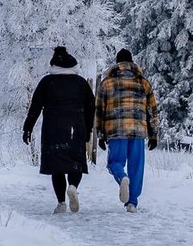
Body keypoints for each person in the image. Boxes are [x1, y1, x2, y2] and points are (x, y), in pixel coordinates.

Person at [22, 46, 95, 213]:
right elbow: (91, 107)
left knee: (57, 166)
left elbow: (35, 106)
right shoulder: (81, 83)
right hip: (75, 128)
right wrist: (88, 129)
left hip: (53, 129)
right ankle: (73, 187)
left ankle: (61, 202)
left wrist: (28, 128)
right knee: (75, 163)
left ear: (53, 64)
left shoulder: (47, 82)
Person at [96, 48, 159, 212]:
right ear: (132, 62)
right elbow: (152, 110)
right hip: (138, 130)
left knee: (114, 163)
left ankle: (122, 177)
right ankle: (132, 202)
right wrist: (153, 135)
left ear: (117, 63)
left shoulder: (107, 83)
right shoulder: (143, 82)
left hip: (116, 130)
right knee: (136, 167)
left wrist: (100, 135)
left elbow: (99, 110)